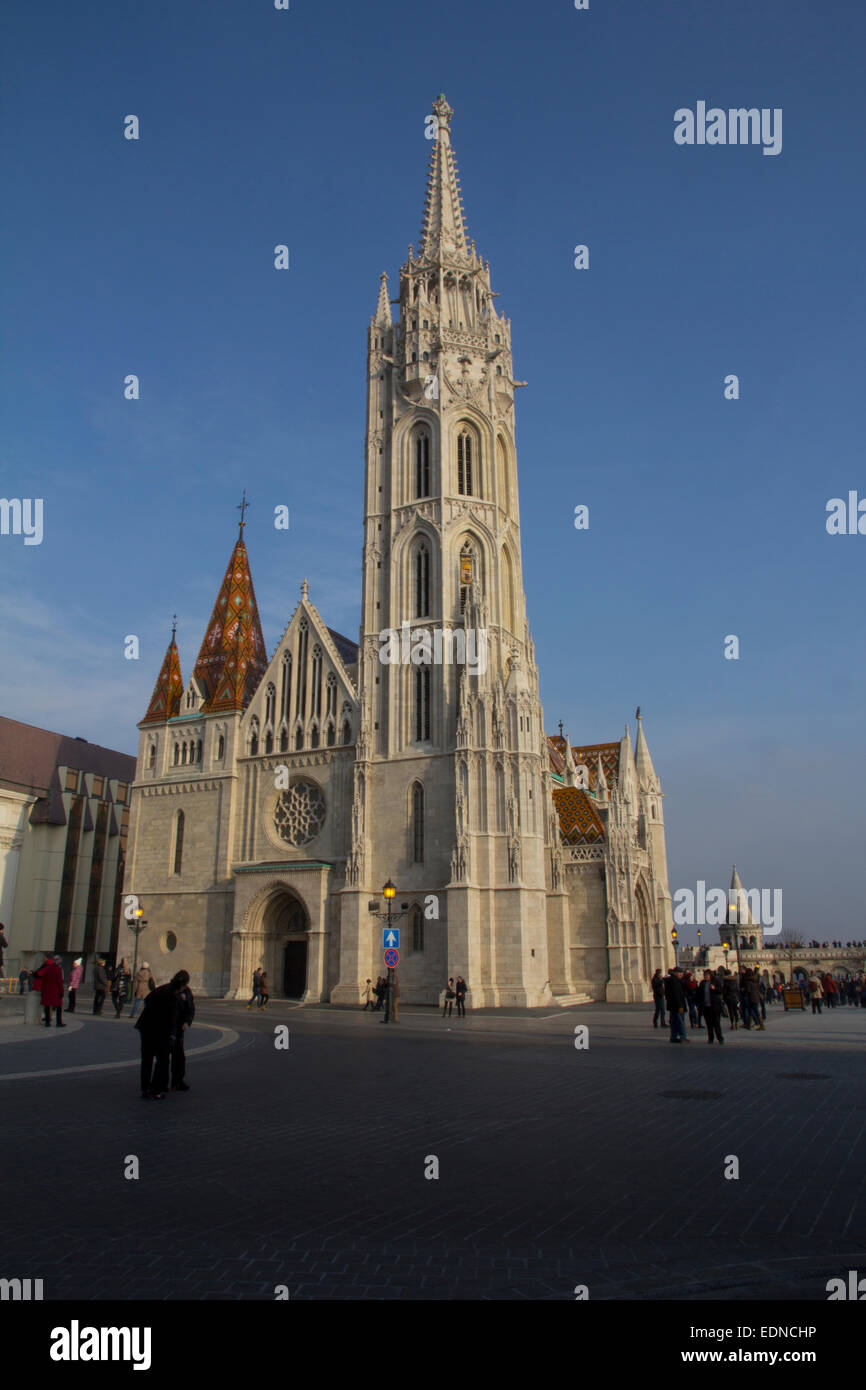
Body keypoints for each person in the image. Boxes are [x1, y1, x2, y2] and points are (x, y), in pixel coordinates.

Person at [135, 970, 188, 1099]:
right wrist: (172, 1036)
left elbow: (147, 1000)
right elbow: (172, 1019)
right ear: (181, 986)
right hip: (158, 1031)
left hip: (146, 1028)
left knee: (147, 1060)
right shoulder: (172, 997)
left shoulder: (162, 989)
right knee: (162, 1060)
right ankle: (156, 1090)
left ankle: (146, 1089)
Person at [170, 972, 195, 1092]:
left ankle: (177, 1081)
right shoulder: (168, 991)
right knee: (164, 1057)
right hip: (168, 1028)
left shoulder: (186, 991)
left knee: (179, 1056)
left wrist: (187, 1021)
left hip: (178, 1028)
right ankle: (158, 1085)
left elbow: (191, 1007)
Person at [32, 950, 66, 1028]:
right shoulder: (58, 969)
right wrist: (61, 992)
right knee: (58, 1007)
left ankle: (47, 1022)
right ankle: (59, 1022)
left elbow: (39, 975)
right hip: (55, 990)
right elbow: (59, 981)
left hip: (46, 989)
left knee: (47, 1006)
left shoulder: (47, 967)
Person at [700, 969, 724, 1045]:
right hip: (706, 1006)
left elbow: (720, 990)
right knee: (709, 1024)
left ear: (710, 975)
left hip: (715, 1006)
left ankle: (720, 1038)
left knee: (716, 1023)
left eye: (707, 975)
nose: (705, 977)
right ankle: (711, 1038)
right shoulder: (703, 983)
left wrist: (715, 989)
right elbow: (699, 993)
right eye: (704, 975)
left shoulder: (715, 981)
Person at [664, 966, 687, 1043]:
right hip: (678, 1005)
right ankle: (683, 1037)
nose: (681, 975)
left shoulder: (669, 980)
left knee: (674, 1021)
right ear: (676, 973)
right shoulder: (675, 981)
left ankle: (673, 1037)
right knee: (680, 1021)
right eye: (680, 974)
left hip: (671, 1005)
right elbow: (677, 995)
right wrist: (680, 1006)